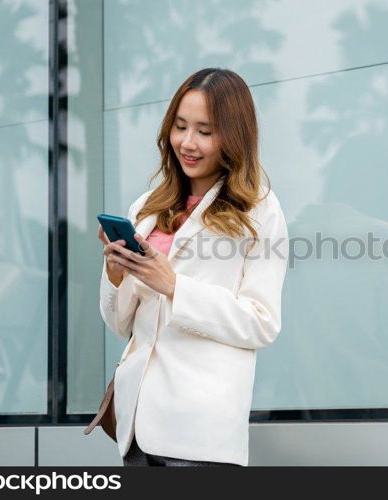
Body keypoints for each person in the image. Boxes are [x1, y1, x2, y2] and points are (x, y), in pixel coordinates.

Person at [96, 68, 289, 466]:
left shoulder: (259, 210)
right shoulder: (147, 208)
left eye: (205, 130)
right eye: (180, 126)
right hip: (137, 428)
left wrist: (174, 286)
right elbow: (120, 325)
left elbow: (261, 322)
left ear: (233, 136)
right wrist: (117, 278)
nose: (188, 143)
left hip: (199, 431)